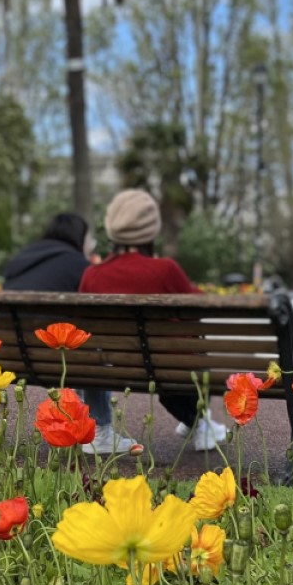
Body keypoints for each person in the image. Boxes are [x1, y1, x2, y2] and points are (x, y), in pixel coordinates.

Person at [81, 188, 229, 452]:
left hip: (109, 367)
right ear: (152, 229)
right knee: (188, 348)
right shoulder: (165, 269)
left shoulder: (92, 275)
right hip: (167, 370)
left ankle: (195, 423)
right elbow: (200, 306)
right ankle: (198, 421)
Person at [2, 213, 133, 455]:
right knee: (94, 344)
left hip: (14, 356)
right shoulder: (78, 266)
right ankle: (101, 430)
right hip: (63, 356)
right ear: (80, 237)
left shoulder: (19, 261)